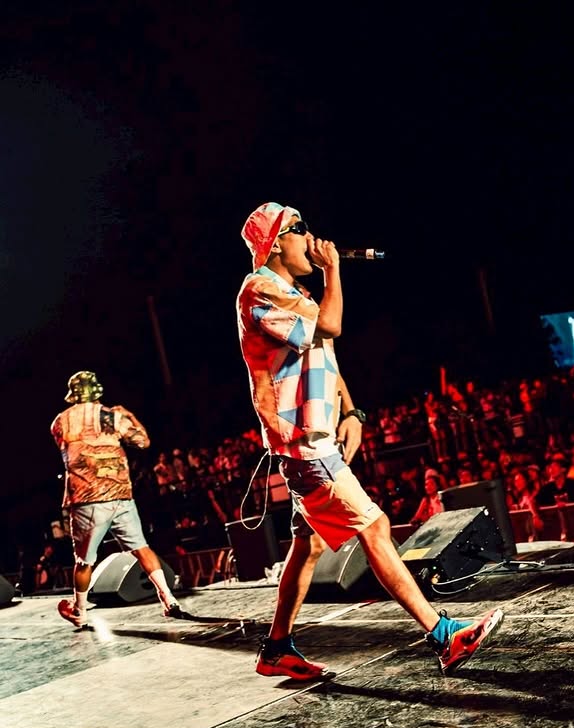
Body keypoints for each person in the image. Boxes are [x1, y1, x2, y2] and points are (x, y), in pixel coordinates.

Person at [237, 202, 503, 679]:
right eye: (300, 229)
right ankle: (444, 635)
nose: (311, 237)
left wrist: (351, 411)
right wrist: (333, 270)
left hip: (315, 438)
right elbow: (332, 325)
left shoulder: (293, 293)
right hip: (302, 443)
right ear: (275, 242)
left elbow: (324, 354)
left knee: (307, 546)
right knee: (375, 527)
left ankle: (276, 650)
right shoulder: (259, 289)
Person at [51, 370, 183, 628]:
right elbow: (143, 442)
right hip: (120, 495)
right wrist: (129, 416)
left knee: (84, 561)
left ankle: (80, 611)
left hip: (87, 498)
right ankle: (168, 599)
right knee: (141, 548)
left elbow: (68, 449)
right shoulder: (114, 417)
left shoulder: (60, 421)